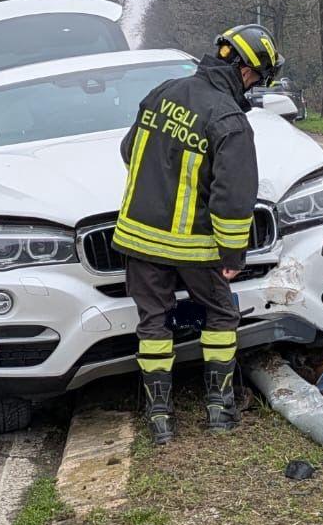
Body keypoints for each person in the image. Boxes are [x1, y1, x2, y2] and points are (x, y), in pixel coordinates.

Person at [113, 24, 281, 446]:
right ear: (244, 69)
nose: (256, 86)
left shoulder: (163, 91)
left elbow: (129, 151)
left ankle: (159, 418)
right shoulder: (229, 119)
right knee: (222, 317)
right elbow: (233, 197)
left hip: (137, 239)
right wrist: (233, 256)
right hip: (194, 247)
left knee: (153, 323)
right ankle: (220, 410)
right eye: (258, 77)